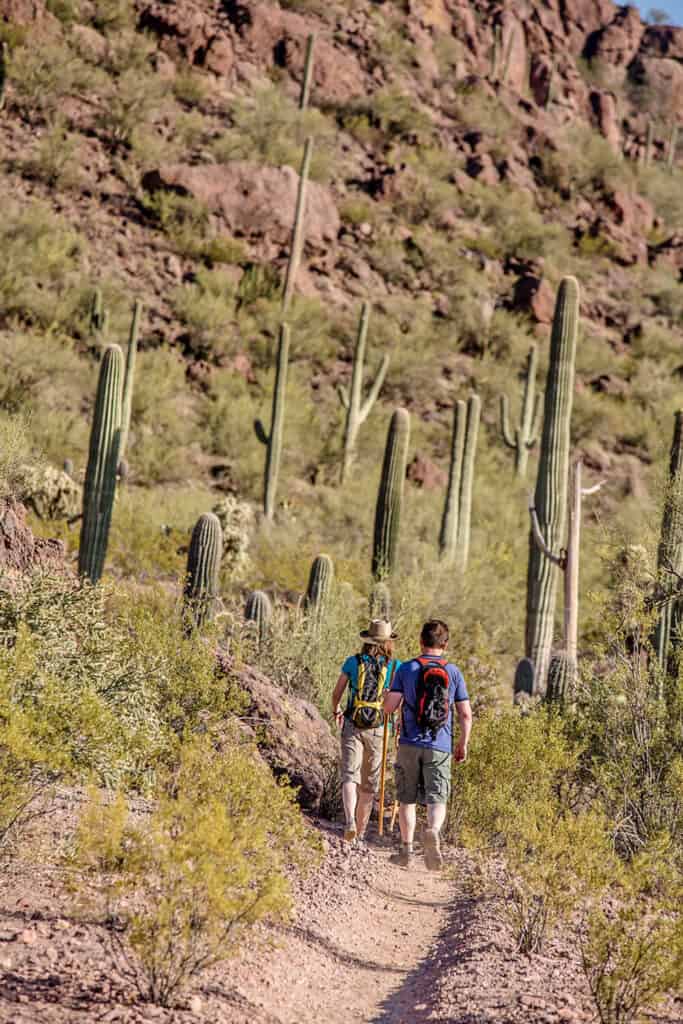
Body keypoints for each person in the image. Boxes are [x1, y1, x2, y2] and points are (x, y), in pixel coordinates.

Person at [383, 618, 472, 871]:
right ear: (445, 644)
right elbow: (465, 714)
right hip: (440, 745)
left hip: (409, 743)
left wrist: (384, 700)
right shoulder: (453, 672)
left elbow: (389, 708)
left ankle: (406, 851)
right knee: (437, 798)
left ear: (421, 641)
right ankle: (432, 831)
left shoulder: (406, 669)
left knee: (407, 799)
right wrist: (462, 744)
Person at [331, 619, 401, 843]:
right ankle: (359, 835)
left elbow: (336, 694)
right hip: (380, 729)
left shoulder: (353, 662)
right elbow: (398, 702)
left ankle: (349, 821)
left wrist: (336, 711)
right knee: (369, 786)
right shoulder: (395, 667)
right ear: (388, 642)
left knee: (350, 776)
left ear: (367, 640)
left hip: (353, 724)